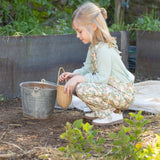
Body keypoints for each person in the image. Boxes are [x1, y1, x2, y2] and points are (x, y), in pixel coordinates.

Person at [59, 1, 135, 126]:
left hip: (122, 94)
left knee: (82, 88)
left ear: (93, 26)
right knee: (76, 85)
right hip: (111, 90)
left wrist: (79, 79)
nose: (77, 35)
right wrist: (73, 75)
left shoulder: (104, 49)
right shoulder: (94, 47)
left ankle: (111, 114)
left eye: (80, 31)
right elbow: (87, 69)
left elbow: (102, 79)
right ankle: (101, 111)